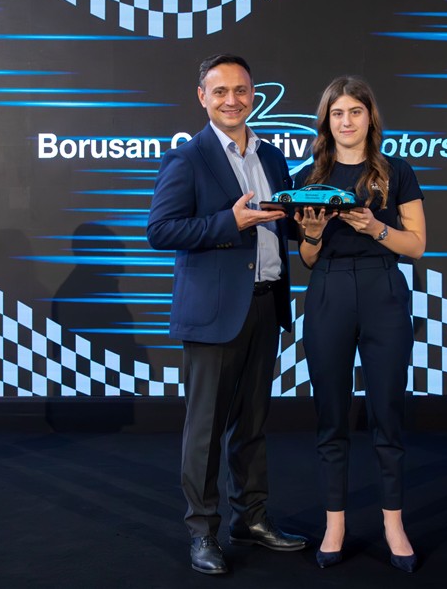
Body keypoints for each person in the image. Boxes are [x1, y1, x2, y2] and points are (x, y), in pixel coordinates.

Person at [146, 54, 308, 575]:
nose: (232, 100)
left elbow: (279, 224)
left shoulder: (273, 157)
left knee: (253, 424)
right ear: (203, 97)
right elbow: (160, 231)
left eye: (240, 90)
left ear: (253, 95)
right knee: (205, 430)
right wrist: (227, 222)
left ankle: (251, 519)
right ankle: (202, 532)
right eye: (220, 91)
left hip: (266, 304)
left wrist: (307, 220)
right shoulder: (187, 158)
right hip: (213, 315)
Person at [293, 76, 426, 573]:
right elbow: (307, 258)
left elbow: (417, 245)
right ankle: (335, 524)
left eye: (355, 111)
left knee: (386, 412)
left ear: (370, 117)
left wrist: (375, 228)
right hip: (328, 291)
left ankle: (394, 524)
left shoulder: (397, 172)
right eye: (337, 113)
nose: (346, 121)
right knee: (331, 414)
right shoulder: (308, 177)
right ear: (326, 121)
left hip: (383, 290)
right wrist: (311, 235)